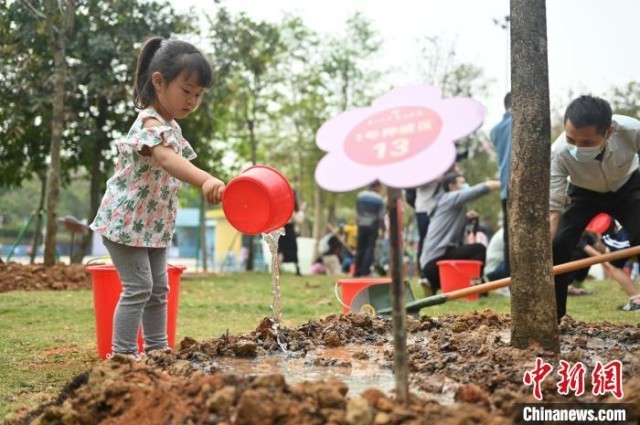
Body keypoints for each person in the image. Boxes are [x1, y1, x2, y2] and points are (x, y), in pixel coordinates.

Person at [90, 37, 225, 359]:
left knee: (159, 290)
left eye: (198, 95)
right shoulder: (150, 124)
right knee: (139, 289)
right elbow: (167, 160)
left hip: (152, 225)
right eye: (186, 90)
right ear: (159, 82)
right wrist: (206, 179)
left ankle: (157, 349)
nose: (192, 100)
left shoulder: (171, 126)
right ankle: (121, 356)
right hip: (126, 224)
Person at [550, 95, 640, 319]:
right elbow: (554, 207)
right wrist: (548, 245)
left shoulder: (632, 130)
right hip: (582, 193)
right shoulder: (558, 152)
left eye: (587, 142)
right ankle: (556, 316)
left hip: (627, 187)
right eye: (572, 140)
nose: (578, 148)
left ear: (608, 132)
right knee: (558, 244)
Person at [419, 173, 501, 293]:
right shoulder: (449, 198)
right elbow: (477, 191)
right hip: (435, 263)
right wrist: (502, 182)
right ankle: (477, 286)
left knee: (470, 250)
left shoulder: (449, 205)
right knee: (478, 249)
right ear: (452, 187)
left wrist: (466, 218)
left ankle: (434, 284)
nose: (465, 186)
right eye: (462, 183)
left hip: (434, 263)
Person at [490, 92, 512, 278]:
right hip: (523, 189)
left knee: (509, 238)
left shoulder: (496, 130)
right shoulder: (520, 123)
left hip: (506, 189)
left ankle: (509, 281)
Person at [354, 181, 385, 277]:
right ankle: (365, 271)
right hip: (372, 226)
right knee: (369, 248)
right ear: (377, 187)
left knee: (360, 248)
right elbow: (380, 216)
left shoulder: (360, 196)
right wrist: (383, 227)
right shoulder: (379, 199)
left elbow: (357, 211)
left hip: (361, 225)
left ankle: (357, 271)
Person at [278, 189, 303, 276]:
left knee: (283, 249)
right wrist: (300, 212)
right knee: (288, 249)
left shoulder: (281, 204)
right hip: (287, 229)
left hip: (282, 229)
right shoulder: (290, 206)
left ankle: (279, 268)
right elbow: (298, 219)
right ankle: (296, 269)